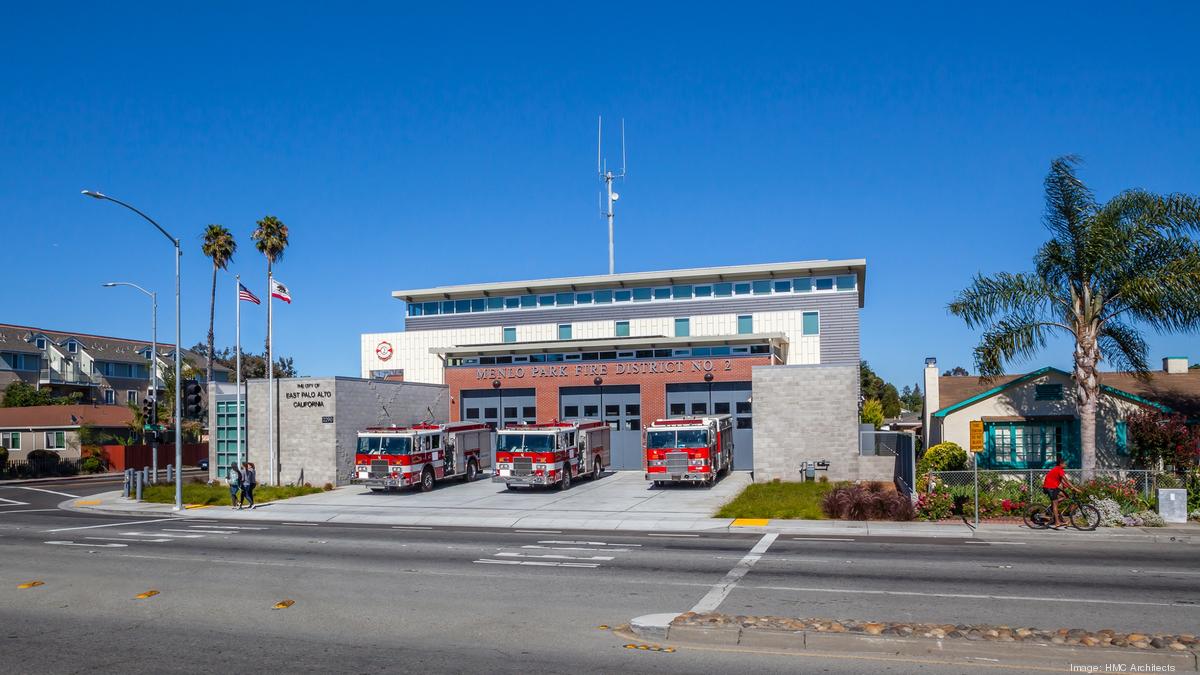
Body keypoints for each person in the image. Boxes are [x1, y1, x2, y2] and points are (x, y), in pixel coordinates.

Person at [1042, 457, 1072, 527]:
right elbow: (1066, 480)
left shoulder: (1058, 469)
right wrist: (1075, 488)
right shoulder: (1059, 469)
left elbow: (1062, 481)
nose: (1066, 465)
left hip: (1053, 487)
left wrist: (1069, 487)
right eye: (1065, 464)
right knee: (1055, 504)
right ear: (1061, 464)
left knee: (1065, 496)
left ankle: (1052, 506)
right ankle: (1057, 522)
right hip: (1050, 488)